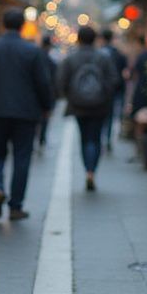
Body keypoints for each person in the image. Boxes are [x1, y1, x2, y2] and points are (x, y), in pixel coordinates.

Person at [0, 9, 54, 220]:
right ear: (21, 27)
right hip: (26, 112)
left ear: (3, 25)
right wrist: (47, 106)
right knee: (22, 157)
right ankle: (16, 206)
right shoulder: (33, 51)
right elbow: (43, 83)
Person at [57, 26, 120, 191]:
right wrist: (104, 94)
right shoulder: (103, 58)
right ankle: (91, 172)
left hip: (78, 106)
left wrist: (71, 96)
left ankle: (87, 169)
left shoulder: (71, 59)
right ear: (95, 39)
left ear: (78, 39)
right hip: (100, 105)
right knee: (96, 138)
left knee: (84, 138)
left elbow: (61, 82)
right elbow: (114, 79)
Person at [98, 28, 129, 153]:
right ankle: (108, 139)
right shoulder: (118, 54)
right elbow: (124, 70)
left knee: (100, 115)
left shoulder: (98, 54)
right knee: (111, 115)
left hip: (99, 90)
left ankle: (101, 138)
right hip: (115, 89)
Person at [36, 34, 57, 149]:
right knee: (44, 119)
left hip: (34, 95)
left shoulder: (35, 56)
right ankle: (42, 138)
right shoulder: (51, 62)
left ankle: (38, 137)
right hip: (46, 93)